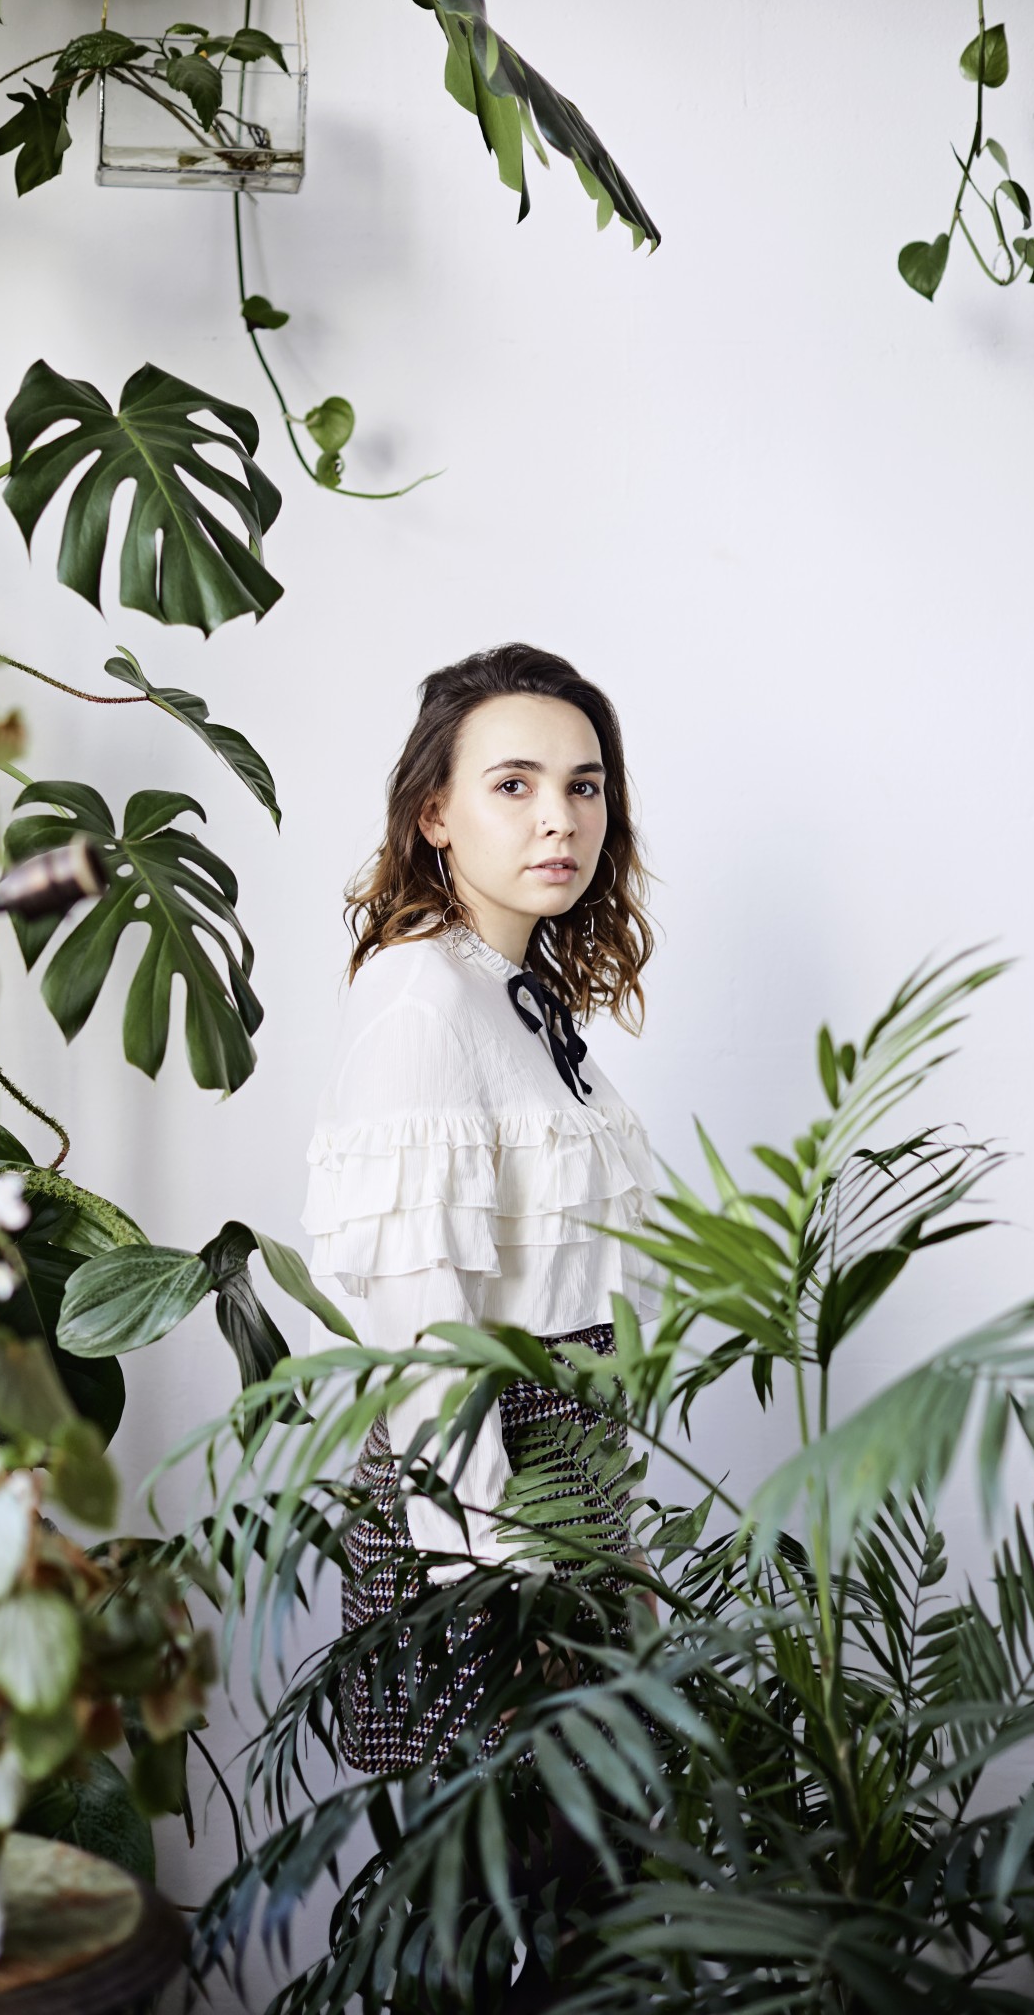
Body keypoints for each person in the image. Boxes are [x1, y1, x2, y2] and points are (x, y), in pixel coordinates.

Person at [301, 641, 664, 1784]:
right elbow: (425, 1331)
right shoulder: (422, 996)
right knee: (504, 1867)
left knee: (596, 1875)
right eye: (514, 783)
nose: (560, 817)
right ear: (436, 815)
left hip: (571, 1492)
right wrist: (497, 1581)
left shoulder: (514, 994)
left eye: (584, 785)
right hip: (482, 1516)